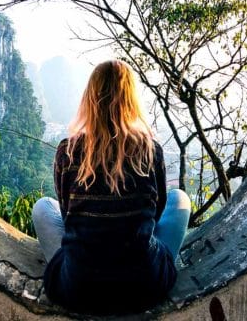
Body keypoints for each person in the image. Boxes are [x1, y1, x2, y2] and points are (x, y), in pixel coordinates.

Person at [31, 60, 191, 315]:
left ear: (89, 98)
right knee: (179, 199)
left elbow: (66, 213)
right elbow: (158, 212)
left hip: (78, 288)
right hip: (145, 285)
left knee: (42, 208)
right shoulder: (150, 151)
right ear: (131, 100)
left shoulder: (68, 151)